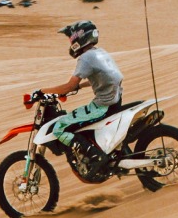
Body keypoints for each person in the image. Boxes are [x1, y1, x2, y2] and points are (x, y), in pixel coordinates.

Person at [34, 20, 123, 177]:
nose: (71, 43)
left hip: (102, 106)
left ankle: (95, 156)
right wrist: (80, 87)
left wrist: (42, 91)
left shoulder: (86, 58)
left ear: (79, 38)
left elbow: (68, 86)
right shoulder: (100, 52)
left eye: (71, 39)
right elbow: (107, 77)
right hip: (115, 101)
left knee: (59, 127)